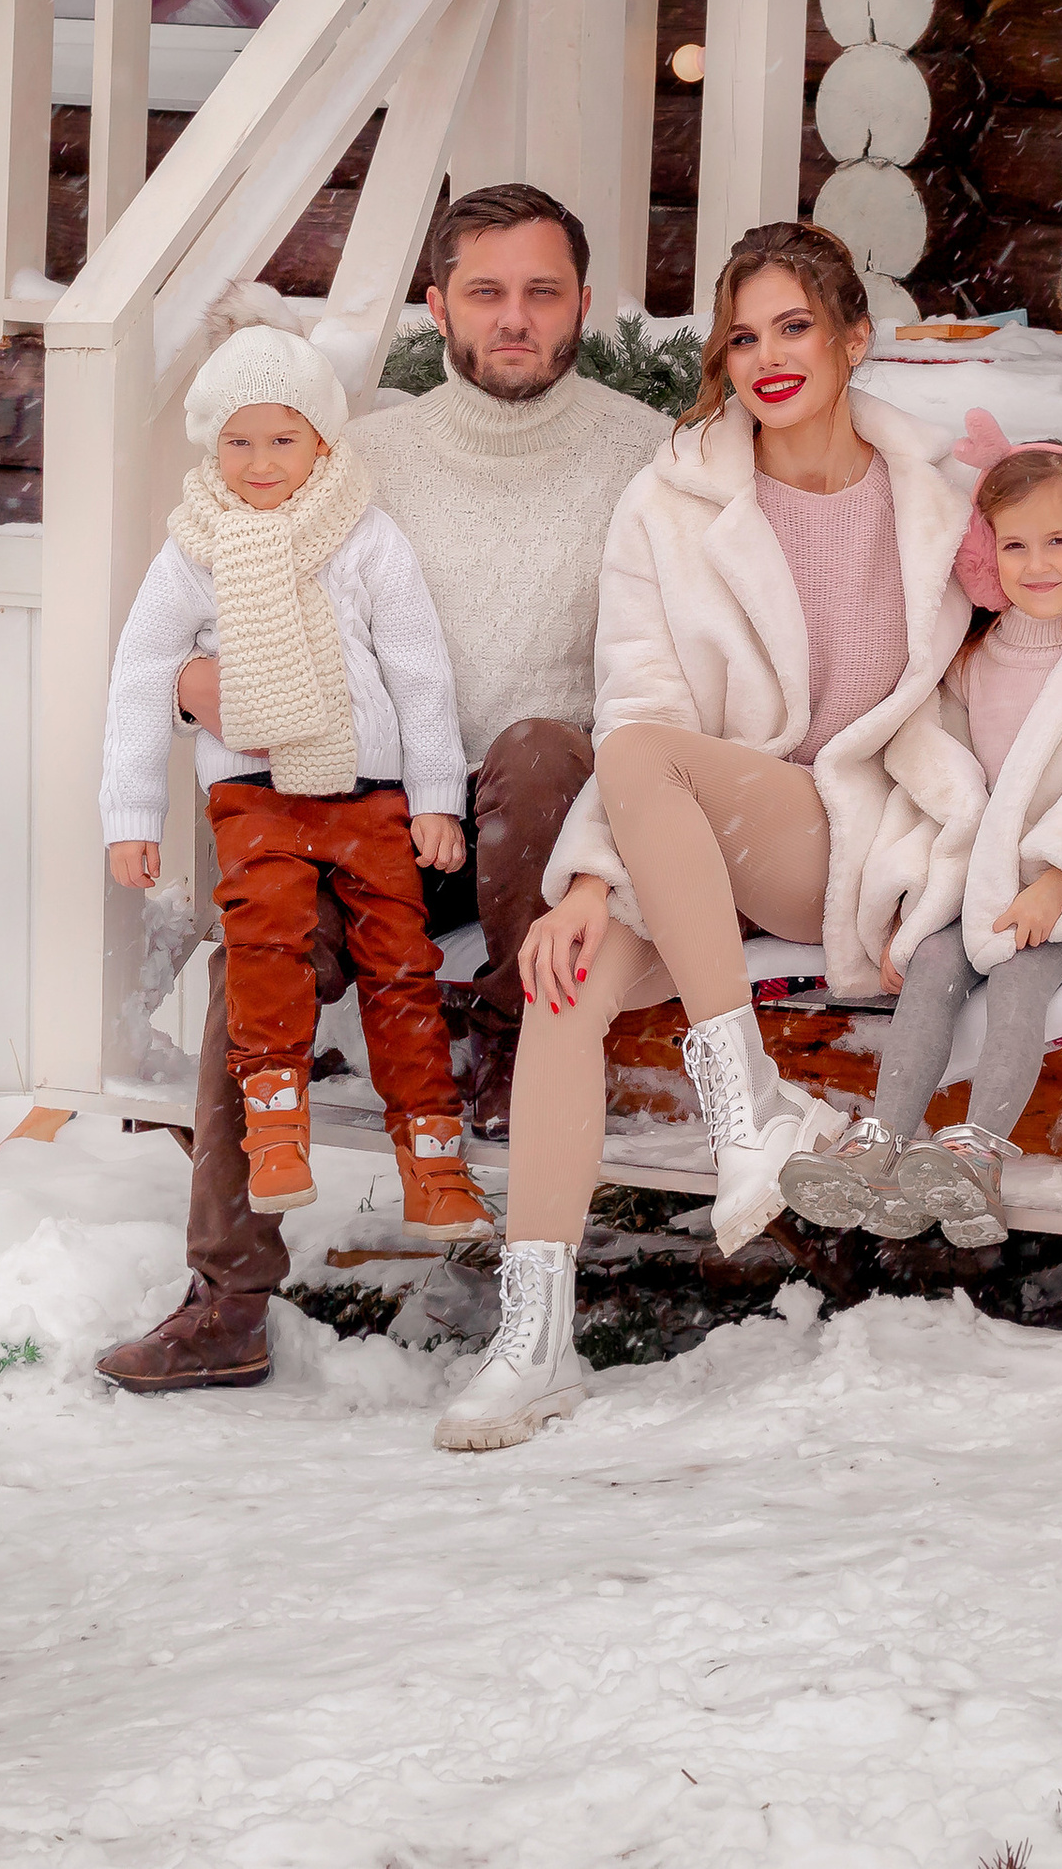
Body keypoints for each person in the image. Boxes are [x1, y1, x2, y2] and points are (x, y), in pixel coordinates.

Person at [95, 185, 670, 1396]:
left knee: (532, 744)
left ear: (581, 304)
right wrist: (205, 680)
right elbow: (237, 593)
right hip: (369, 815)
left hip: (547, 828)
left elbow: (671, 666)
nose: (514, 318)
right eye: (486, 292)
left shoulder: (640, 454)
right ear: (438, 306)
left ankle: (511, 1044)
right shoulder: (369, 457)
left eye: (542, 291)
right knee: (258, 955)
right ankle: (228, 1296)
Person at [433, 221, 988, 1453]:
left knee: (642, 763)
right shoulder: (672, 499)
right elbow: (640, 707)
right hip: (682, 836)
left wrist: (942, 885)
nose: (767, 358)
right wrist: (588, 882)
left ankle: (745, 1113)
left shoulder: (941, 514)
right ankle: (536, 1343)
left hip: (832, 837)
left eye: (795, 327)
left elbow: (979, 717)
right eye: (743, 336)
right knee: (568, 980)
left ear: (854, 338)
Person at [98, 320, 493, 1287]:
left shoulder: (364, 536)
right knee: (264, 942)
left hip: (370, 797)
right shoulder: (194, 546)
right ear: (210, 446)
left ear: (323, 441)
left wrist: (438, 796)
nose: (260, 462)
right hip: (254, 792)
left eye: (283, 439)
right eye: (239, 441)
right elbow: (141, 673)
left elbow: (418, 670)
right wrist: (130, 816)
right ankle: (276, 1127)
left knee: (399, 963)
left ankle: (430, 1156)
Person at [780, 416, 1062, 1247]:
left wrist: (1057, 881)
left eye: (1059, 540)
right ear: (982, 558)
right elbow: (935, 781)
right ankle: (884, 1140)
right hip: (986, 873)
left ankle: (977, 1153)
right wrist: (916, 894)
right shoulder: (971, 662)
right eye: (1012, 546)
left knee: (1017, 977)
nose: (1037, 564)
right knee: (934, 962)